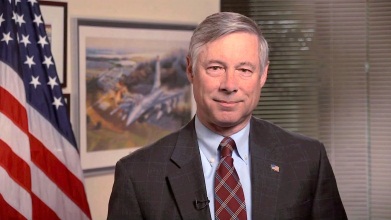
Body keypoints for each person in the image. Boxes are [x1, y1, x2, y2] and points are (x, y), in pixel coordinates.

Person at [107, 12, 347, 220]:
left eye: (244, 70)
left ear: (263, 75)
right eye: (215, 68)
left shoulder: (307, 159)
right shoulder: (137, 175)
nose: (230, 85)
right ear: (190, 70)